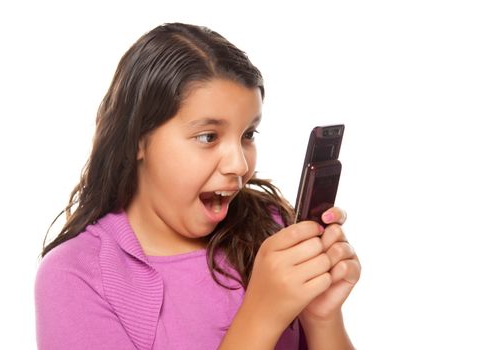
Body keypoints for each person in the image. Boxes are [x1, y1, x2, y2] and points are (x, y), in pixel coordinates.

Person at [35, 22, 361, 350]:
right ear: (138, 140)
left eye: (247, 134)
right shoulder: (74, 276)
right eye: (207, 137)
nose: (239, 165)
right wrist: (262, 315)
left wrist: (322, 316)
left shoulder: (270, 229)